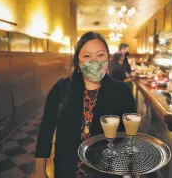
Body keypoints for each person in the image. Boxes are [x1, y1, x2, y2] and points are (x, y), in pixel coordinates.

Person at [34, 32, 136, 178]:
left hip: (108, 172)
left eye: (100, 55)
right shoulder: (61, 89)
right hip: (67, 170)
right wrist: (39, 171)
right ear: (78, 61)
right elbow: (46, 130)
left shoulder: (122, 91)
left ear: (107, 58)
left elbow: (129, 138)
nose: (94, 61)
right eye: (87, 56)